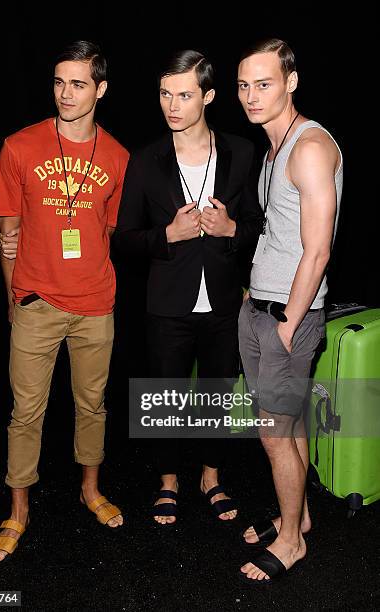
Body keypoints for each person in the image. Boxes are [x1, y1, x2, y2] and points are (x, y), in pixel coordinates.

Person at [0, 40, 129, 563]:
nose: (65, 93)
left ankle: (90, 489)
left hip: (96, 304)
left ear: (100, 90)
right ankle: (18, 509)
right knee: (27, 411)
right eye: (58, 82)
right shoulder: (19, 147)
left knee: (92, 405)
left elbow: (107, 234)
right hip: (37, 301)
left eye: (77, 83)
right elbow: (8, 231)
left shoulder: (116, 156)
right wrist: (14, 298)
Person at [114, 50, 263, 525]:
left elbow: (260, 226)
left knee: (219, 394)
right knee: (165, 395)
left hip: (223, 299)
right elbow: (123, 240)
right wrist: (166, 236)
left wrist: (230, 230)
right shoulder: (145, 160)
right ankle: (168, 482)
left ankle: (212, 477)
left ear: (209, 96)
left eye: (184, 94)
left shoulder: (241, 152)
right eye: (164, 94)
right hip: (166, 303)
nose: (172, 105)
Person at [236, 38, 343, 582]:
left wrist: (287, 325)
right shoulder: (274, 149)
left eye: (264, 83)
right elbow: (278, 235)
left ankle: (290, 542)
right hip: (262, 308)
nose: (252, 96)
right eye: (244, 86)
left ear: (291, 82)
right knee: (289, 423)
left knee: (274, 432)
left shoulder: (309, 147)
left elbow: (318, 249)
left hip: (287, 319)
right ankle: (296, 519)